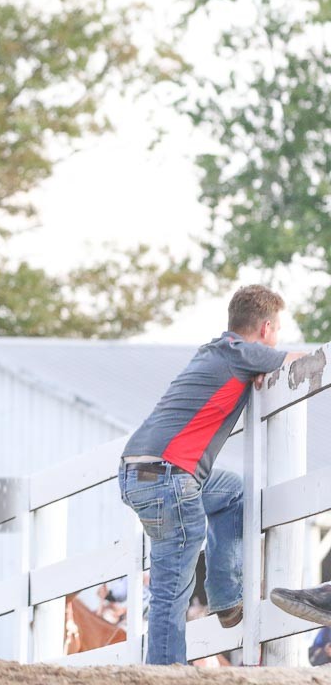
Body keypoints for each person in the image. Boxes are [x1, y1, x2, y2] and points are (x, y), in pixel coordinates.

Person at [119, 285, 306, 665]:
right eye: (278, 330)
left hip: (137, 473)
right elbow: (302, 360)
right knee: (171, 588)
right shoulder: (243, 352)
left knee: (233, 492)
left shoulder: (216, 351)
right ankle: (167, 672)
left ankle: (225, 598)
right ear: (267, 328)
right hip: (170, 476)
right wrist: (270, 362)